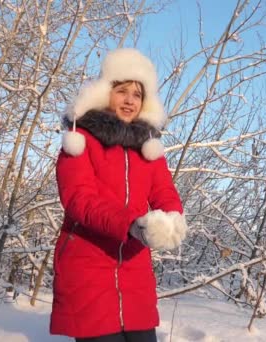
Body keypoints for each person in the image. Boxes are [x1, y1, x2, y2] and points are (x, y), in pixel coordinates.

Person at [50, 48, 188, 342]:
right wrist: (131, 225)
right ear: (104, 93)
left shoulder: (148, 148)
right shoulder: (80, 141)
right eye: (122, 91)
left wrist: (173, 220)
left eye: (137, 94)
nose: (129, 100)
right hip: (88, 265)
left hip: (134, 268)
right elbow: (79, 199)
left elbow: (164, 192)